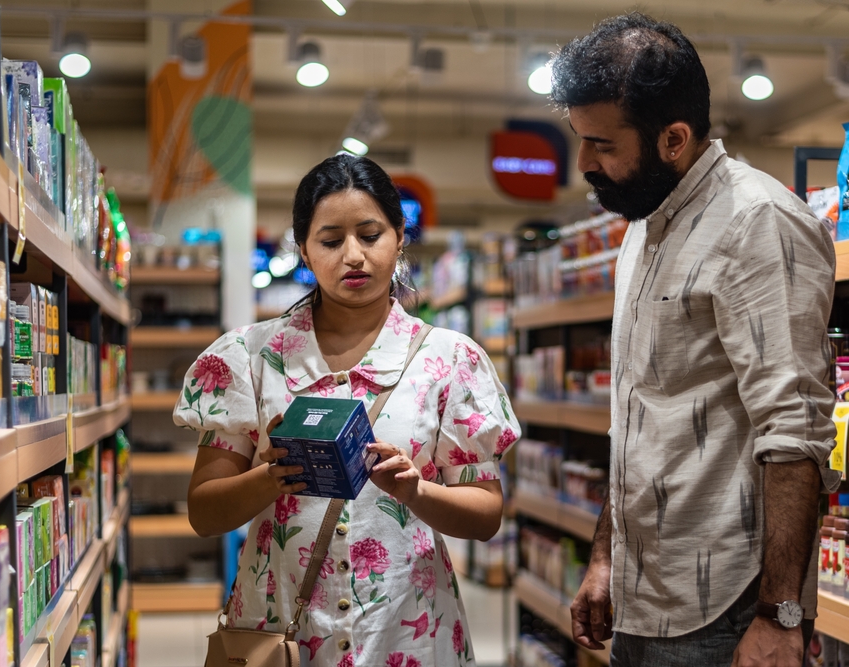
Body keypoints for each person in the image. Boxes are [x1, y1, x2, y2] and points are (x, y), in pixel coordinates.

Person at [550, 13, 839, 667]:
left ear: (674, 138)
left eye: (600, 143)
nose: (583, 163)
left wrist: (779, 617)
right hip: (647, 593)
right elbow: (638, 415)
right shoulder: (643, 227)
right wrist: (606, 555)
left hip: (729, 608)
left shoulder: (757, 225)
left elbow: (795, 434)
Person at [174, 154, 519, 666]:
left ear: (400, 237)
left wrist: (416, 490)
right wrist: (271, 475)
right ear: (305, 252)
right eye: (331, 241)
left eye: (371, 234)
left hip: (406, 631)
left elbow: (487, 514)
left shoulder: (449, 359)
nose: (353, 255)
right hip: (283, 634)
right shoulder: (250, 357)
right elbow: (205, 513)